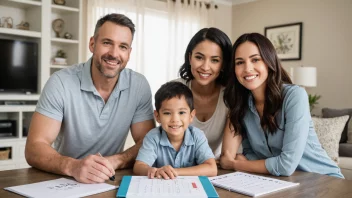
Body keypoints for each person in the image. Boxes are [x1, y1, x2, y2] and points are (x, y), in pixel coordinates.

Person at [25, 13, 155, 183]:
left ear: (129, 53)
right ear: (92, 44)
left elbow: (148, 142)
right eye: (107, 43)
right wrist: (73, 166)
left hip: (108, 179)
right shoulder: (60, 82)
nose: (114, 54)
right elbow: (34, 147)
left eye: (123, 47)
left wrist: (115, 161)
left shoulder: (139, 85)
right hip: (63, 179)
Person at [220, 33, 344, 178]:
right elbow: (250, 154)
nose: (247, 68)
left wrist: (236, 164)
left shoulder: (295, 96)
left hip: (325, 180)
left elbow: (286, 165)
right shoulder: (243, 106)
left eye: (255, 60)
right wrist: (253, 163)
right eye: (239, 62)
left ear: (269, 61)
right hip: (285, 182)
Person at [174, 27, 240, 159]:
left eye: (214, 60)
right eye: (199, 57)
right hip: (174, 166)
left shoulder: (231, 95)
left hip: (213, 168)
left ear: (223, 64)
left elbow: (228, 155)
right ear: (190, 57)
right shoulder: (174, 90)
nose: (205, 67)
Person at [133, 82, 217, 179]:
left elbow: (212, 168)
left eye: (181, 112)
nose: (175, 120)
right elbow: (139, 167)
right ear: (157, 116)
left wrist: (174, 172)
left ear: (191, 116)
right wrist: (152, 170)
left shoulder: (197, 136)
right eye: (167, 113)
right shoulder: (153, 137)